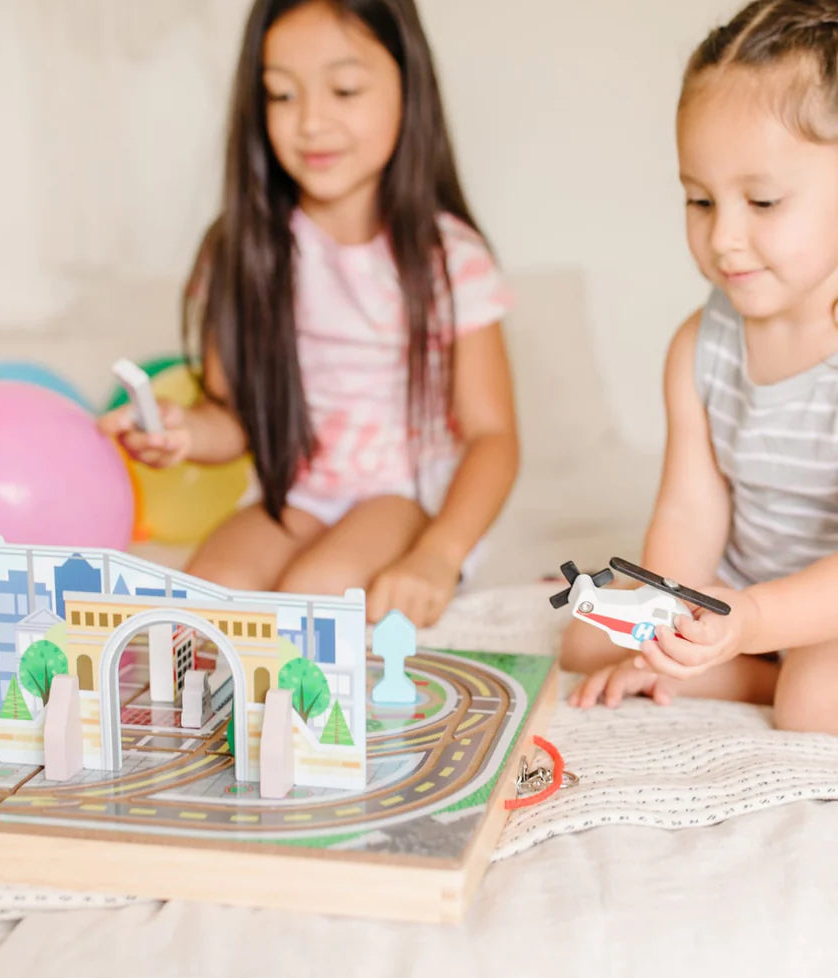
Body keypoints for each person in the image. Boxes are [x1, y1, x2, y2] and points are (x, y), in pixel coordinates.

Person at [100, 0, 518, 628]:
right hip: (298, 497)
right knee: (199, 600)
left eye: (344, 89)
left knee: (313, 595)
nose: (311, 122)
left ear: (410, 88)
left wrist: (439, 553)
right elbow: (236, 420)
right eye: (282, 96)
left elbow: (494, 437)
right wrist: (182, 432)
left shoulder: (447, 259)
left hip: (405, 501)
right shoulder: (243, 251)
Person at [565, 0, 838, 733]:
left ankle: (759, 674)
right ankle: (740, 662)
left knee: (813, 704)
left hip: (824, 604)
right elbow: (689, 511)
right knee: (589, 633)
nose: (724, 237)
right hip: (749, 592)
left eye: (763, 201)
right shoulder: (701, 345)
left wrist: (750, 620)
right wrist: (663, 630)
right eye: (699, 199)